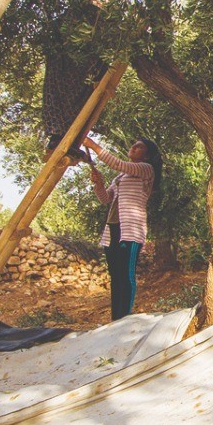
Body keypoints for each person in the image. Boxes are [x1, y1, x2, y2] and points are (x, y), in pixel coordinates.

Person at [82, 134, 158, 321]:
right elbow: (105, 199)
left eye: (139, 146)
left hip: (131, 231)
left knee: (126, 274)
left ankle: (125, 318)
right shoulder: (120, 177)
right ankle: (116, 319)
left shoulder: (146, 169)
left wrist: (92, 145)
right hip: (113, 229)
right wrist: (98, 183)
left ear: (147, 156)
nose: (133, 147)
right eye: (134, 144)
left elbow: (118, 163)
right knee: (115, 276)